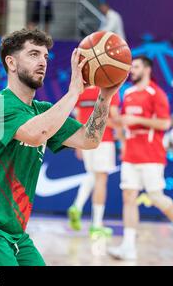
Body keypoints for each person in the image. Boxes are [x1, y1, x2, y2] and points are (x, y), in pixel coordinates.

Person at [0, 28, 123, 266]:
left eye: (45, 57)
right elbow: (35, 134)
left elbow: (89, 139)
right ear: (11, 62)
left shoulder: (43, 110)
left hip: (14, 232)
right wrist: (73, 93)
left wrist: (104, 98)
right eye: (33, 54)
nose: (42, 62)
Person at [108, 56, 173, 261]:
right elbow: (121, 122)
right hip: (130, 155)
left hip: (151, 155)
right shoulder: (127, 93)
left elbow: (164, 124)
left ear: (146, 69)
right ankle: (128, 247)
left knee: (155, 197)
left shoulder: (157, 94)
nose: (131, 71)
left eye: (135, 67)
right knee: (128, 198)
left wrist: (136, 119)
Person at [67, 86, 121, 237]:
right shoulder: (108, 90)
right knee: (100, 179)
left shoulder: (80, 91)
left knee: (92, 174)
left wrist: (78, 143)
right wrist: (122, 128)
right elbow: (114, 118)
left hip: (85, 140)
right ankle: (97, 224)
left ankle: (77, 206)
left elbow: (78, 119)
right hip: (103, 140)